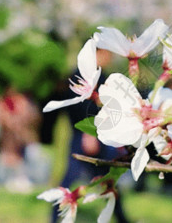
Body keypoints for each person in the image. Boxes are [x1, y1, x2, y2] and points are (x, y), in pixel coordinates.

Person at [48, 47, 129, 223]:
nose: (110, 59)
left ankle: (122, 219)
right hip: (84, 135)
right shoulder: (80, 77)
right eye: (107, 55)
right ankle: (54, 218)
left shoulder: (104, 77)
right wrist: (87, 133)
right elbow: (76, 107)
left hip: (99, 136)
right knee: (69, 179)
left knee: (109, 181)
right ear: (97, 54)